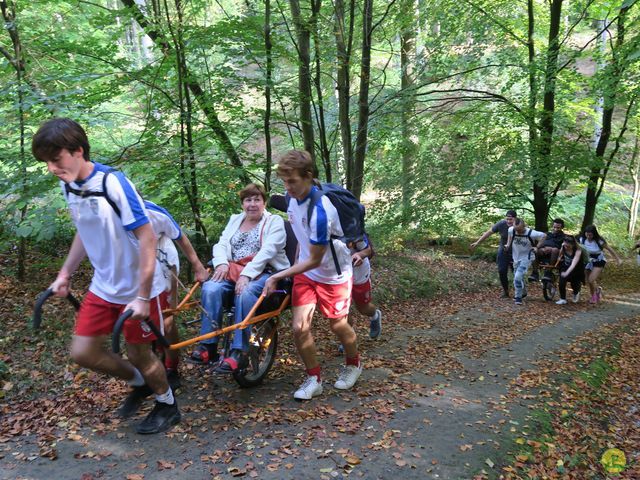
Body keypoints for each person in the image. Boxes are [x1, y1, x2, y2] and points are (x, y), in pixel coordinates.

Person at [32, 118, 179, 434]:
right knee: (83, 352)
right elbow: (84, 231)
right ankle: (141, 384)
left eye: (55, 160)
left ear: (78, 151)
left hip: (140, 288)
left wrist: (141, 296)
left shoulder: (113, 184)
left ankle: (167, 404)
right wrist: (64, 274)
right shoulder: (68, 184)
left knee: (140, 353)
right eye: (47, 162)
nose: (51, 168)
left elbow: (148, 237)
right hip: (104, 285)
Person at [263, 150, 361, 401]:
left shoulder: (321, 210)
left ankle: (353, 364)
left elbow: (316, 258)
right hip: (306, 273)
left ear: (308, 176)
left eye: (292, 181)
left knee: (338, 325)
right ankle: (314, 378)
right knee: (299, 327)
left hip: (333, 274)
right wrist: (292, 265)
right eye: (284, 181)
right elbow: (301, 240)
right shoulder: (291, 198)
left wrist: (277, 275)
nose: (288, 187)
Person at [190, 183, 290, 373]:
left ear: (264, 202)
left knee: (245, 292)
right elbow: (221, 244)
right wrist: (221, 263)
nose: (252, 204)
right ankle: (208, 346)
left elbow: (268, 251)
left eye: (257, 199)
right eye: (248, 200)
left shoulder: (274, 221)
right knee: (211, 287)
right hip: (233, 269)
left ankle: (240, 352)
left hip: (264, 271)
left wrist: (246, 275)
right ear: (242, 203)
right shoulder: (235, 220)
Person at [144, 200, 209, 390]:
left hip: (162, 257)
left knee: (167, 315)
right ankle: (154, 360)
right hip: (137, 261)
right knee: (145, 316)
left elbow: (180, 237)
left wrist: (197, 266)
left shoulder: (154, 212)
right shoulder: (112, 213)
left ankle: (172, 367)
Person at [470, 210, 517, 298]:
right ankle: (506, 291)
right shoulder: (501, 224)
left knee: (516, 272)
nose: (508, 221)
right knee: (502, 270)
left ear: (515, 218)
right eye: (507, 219)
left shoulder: (520, 225)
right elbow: (489, 232)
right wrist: (477, 242)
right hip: (503, 251)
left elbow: (528, 236)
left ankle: (520, 290)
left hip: (516, 252)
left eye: (511, 219)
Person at [505, 218, 546, 305]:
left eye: (519, 230)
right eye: (516, 229)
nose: (518, 232)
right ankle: (522, 291)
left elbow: (544, 235)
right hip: (516, 257)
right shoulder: (511, 230)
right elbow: (509, 236)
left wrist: (537, 247)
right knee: (517, 278)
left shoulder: (532, 233)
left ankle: (518, 297)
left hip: (527, 257)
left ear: (524, 226)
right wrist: (508, 245)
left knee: (517, 277)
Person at [579, 225, 622, 304]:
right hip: (588, 261)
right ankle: (595, 294)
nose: (588, 236)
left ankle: (595, 295)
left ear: (594, 234)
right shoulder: (582, 239)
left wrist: (618, 259)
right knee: (589, 280)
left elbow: (610, 249)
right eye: (587, 234)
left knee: (591, 279)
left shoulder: (599, 241)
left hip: (599, 261)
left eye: (590, 235)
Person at [350, 236, 382, 339]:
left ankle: (375, 316)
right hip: (335, 274)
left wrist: (359, 255)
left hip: (357, 272)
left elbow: (368, 251)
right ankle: (346, 336)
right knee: (342, 310)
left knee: (363, 308)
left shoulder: (349, 225)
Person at [555, 235, 585, 305]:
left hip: (576, 269)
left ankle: (576, 292)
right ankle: (563, 299)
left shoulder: (578, 251)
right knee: (562, 281)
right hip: (565, 266)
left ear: (573, 245)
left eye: (568, 246)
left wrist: (567, 273)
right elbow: (560, 254)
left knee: (574, 283)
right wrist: (559, 258)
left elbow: (573, 264)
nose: (566, 247)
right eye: (565, 245)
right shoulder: (563, 246)